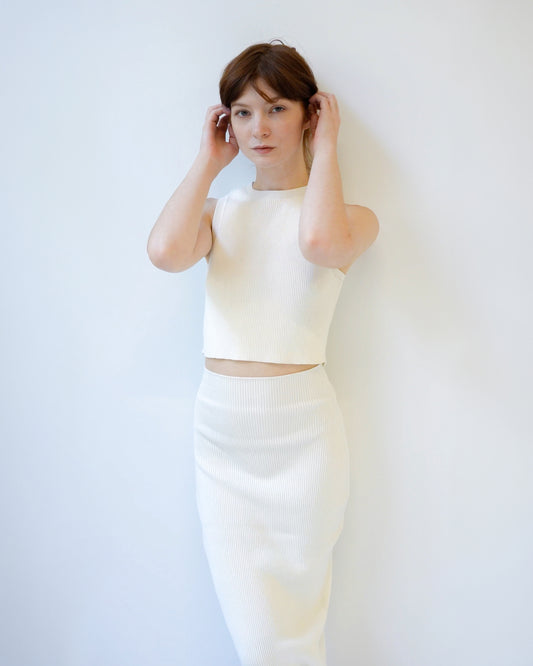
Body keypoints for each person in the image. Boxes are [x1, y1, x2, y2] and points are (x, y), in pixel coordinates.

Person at [147, 41, 379, 666]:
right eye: (243, 113)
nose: (258, 128)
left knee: (289, 637)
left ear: (309, 114)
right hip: (222, 441)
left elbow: (319, 243)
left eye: (276, 109)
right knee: (257, 637)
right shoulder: (219, 213)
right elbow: (165, 253)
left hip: (302, 438)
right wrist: (208, 161)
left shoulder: (351, 218)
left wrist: (326, 148)